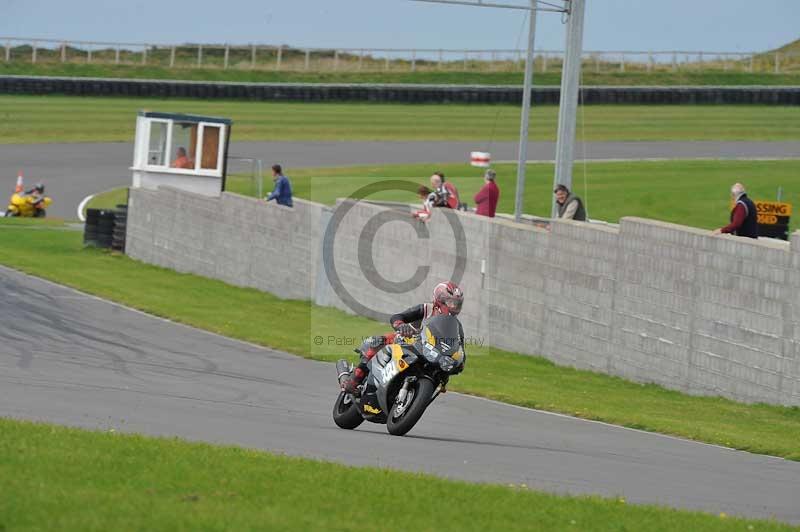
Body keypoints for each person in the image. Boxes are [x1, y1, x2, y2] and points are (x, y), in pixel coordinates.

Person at [341, 281, 465, 395]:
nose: (454, 307)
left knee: (440, 376)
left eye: (457, 304)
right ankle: (354, 380)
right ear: (440, 299)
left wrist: (459, 362)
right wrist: (401, 325)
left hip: (430, 352)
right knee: (378, 341)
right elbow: (398, 316)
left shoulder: (456, 326)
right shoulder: (426, 309)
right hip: (408, 341)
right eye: (451, 303)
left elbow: (459, 348)